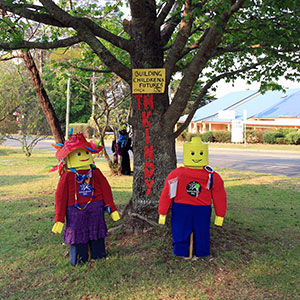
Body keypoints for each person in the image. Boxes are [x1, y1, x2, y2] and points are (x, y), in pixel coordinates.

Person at [51, 132, 120, 265]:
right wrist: (59, 219)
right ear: (68, 157)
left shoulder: (95, 172)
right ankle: (79, 259)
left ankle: (98, 254)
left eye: (86, 152)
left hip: (96, 209)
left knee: (97, 232)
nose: (84, 156)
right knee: (77, 235)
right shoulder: (67, 176)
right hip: (75, 211)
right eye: (78, 154)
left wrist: (112, 208)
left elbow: (106, 190)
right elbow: (60, 197)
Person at [158, 137, 227, 258]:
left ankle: (199, 252)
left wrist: (220, 215)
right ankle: (184, 252)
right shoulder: (177, 174)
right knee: (184, 231)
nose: (197, 156)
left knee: (198, 231)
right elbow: (168, 193)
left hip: (195, 209)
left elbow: (219, 195)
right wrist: (162, 212)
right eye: (193, 153)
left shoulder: (211, 176)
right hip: (185, 208)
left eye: (200, 153)